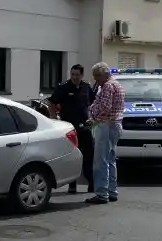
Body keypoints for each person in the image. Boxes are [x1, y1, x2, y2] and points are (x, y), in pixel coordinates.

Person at [48, 64, 95, 194]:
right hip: (69, 128)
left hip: (85, 127)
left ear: (82, 75)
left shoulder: (86, 86)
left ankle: (91, 182)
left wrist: (92, 117)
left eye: (77, 75)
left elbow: (92, 102)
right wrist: (54, 120)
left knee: (89, 156)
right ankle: (72, 184)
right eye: (72, 74)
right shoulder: (63, 87)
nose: (74, 77)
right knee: (72, 156)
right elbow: (51, 103)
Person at [85, 62, 126, 205]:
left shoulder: (107, 86)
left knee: (100, 161)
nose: (96, 79)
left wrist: (92, 114)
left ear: (105, 74)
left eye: (97, 76)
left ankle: (102, 193)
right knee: (110, 159)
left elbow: (105, 107)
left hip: (106, 125)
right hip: (116, 124)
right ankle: (112, 191)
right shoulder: (117, 84)